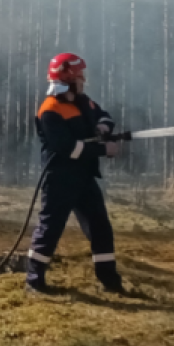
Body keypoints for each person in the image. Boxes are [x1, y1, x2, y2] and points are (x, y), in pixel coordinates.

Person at [26, 52, 127, 295]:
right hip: (59, 179)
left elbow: (103, 114)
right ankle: (34, 281)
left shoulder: (82, 101)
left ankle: (109, 281)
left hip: (84, 177)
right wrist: (104, 149)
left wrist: (103, 126)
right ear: (68, 79)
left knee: (100, 227)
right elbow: (67, 148)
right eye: (80, 76)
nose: (83, 80)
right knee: (50, 228)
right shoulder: (50, 110)